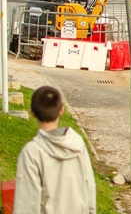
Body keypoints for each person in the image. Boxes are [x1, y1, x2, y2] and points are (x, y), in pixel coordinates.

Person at [14, 86, 96, 214]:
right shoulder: (77, 143)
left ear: (32, 112)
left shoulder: (32, 152)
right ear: (61, 111)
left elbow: (26, 203)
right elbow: (89, 188)